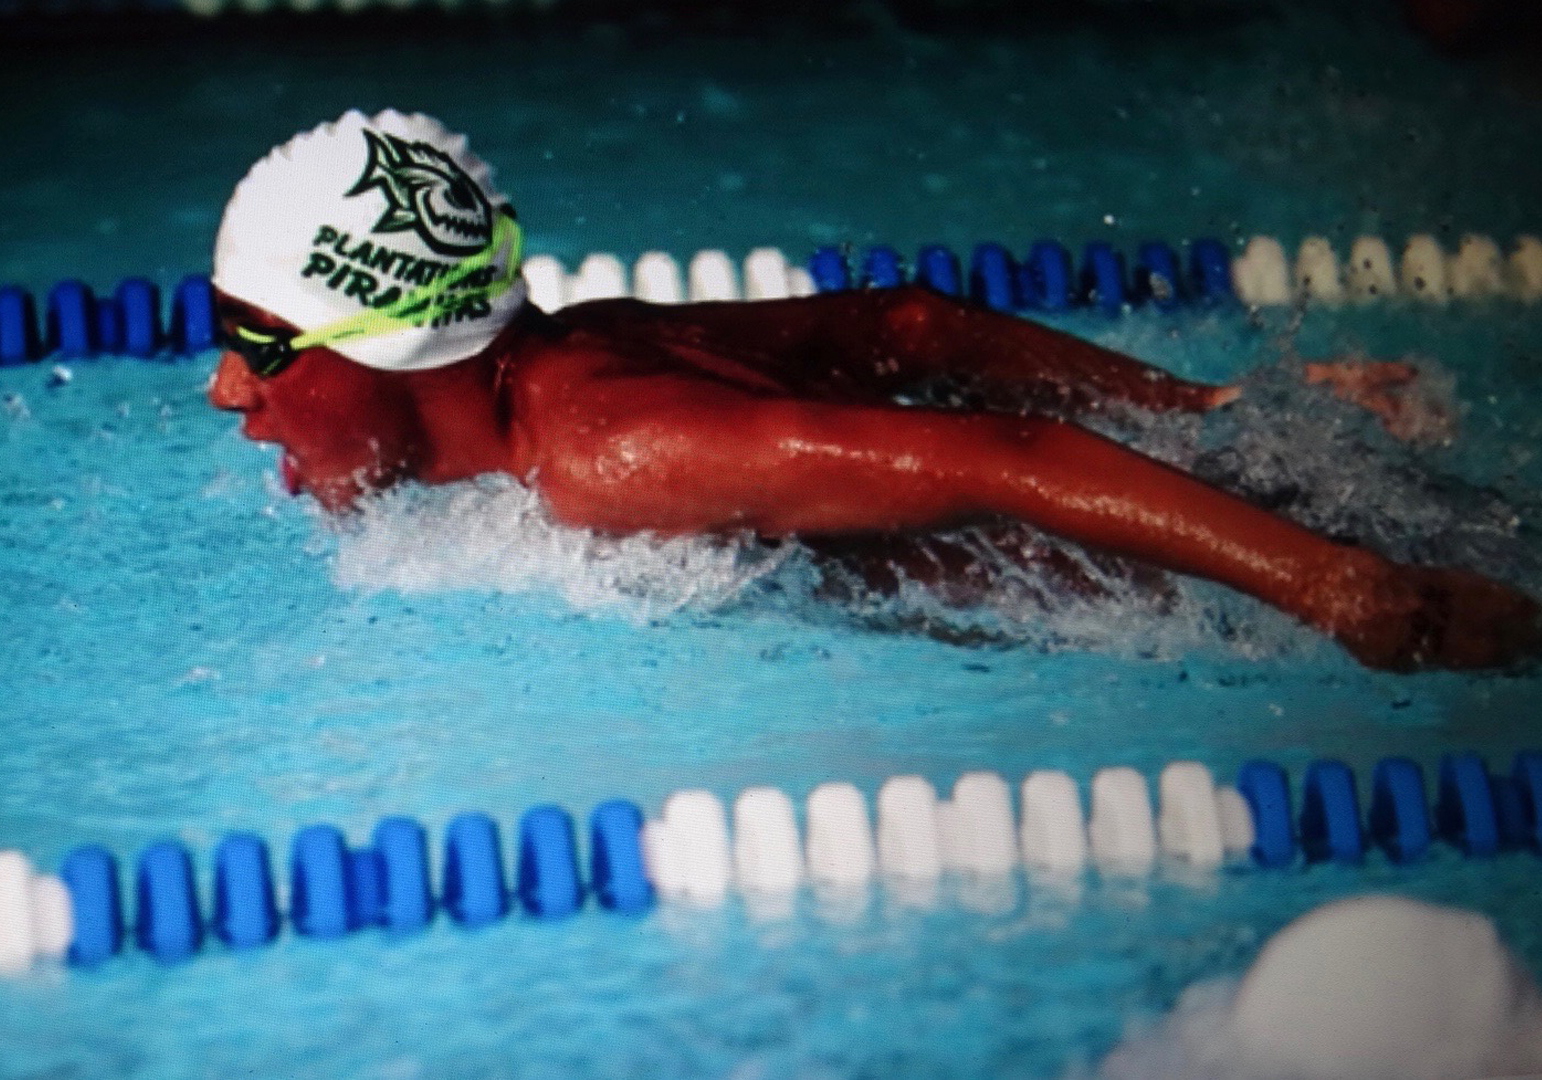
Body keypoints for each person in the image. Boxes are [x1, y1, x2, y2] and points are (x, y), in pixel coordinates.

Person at [208, 110, 1539, 672]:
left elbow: (1005, 456)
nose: (226, 392)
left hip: (1219, 594)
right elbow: (909, 325)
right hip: (1236, 507)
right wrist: (1202, 417)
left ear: (386, 340)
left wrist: (1346, 590)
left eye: (259, 344)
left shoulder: (613, 459)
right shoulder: (578, 348)